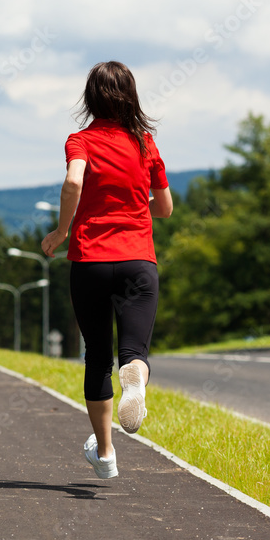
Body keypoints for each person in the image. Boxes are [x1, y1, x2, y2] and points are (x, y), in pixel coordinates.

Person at [41, 61, 172, 479]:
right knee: (133, 352)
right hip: (137, 261)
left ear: (90, 98)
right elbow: (165, 207)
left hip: (91, 262)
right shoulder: (144, 143)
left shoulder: (80, 140)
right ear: (130, 96)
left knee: (97, 357)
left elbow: (73, 183)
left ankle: (106, 454)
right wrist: (135, 208)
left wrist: (62, 230)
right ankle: (135, 377)